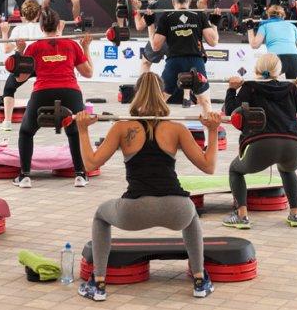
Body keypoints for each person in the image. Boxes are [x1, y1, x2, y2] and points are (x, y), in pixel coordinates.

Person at [75, 72, 220, 301]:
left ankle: (98, 283)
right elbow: (209, 166)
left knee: (101, 216)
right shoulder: (177, 129)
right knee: (191, 215)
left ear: (136, 94)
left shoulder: (122, 128)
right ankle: (200, 280)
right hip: (177, 210)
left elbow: (91, 163)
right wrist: (212, 130)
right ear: (163, 95)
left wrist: (82, 129)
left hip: (133, 212)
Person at [222, 53, 297, 228]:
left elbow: (230, 112)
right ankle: (296, 214)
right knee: (287, 170)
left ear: (257, 69)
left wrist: (231, 89)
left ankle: (242, 216)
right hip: (295, 146)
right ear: (279, 70)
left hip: (261, 145)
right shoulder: (290, 89)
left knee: (235, 170)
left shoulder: (250, 87)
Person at [14, 8, 93, 188]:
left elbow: (20, 78)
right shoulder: (72, 45)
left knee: (26, 132)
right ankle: (80, 175)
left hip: (42, 92)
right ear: (59, 26)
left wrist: (21, 52)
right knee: (75, 131)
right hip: (70, 92)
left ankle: (25, 176)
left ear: (41, 27)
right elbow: (88, 73)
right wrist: (86, 48)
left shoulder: (33, 47)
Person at [150, 0, 219, 119]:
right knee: (205, 102)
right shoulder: (199, 15)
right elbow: (213, 42)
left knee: (159, 102)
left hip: (174, 62)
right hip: (195, 62)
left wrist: (150, 25)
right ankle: (210, 137)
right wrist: (214, 23)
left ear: (173, 2)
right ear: (190, 2)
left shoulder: (166, 17)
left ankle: (151, 135)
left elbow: (155, 46)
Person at [132, 0, 194, 108]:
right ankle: (186, 98)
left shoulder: (156, 4)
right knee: (184, 65)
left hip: (160, 39)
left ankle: (141, 94)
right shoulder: (184, 5)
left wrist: (136, 10)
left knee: (145, 63)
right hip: (179, 38)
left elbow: (139, 26)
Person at [0, 0, 43, 131]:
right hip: (41, 65)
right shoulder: (43, 27)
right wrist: (60, 29)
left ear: (22, 15)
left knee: (8, 90)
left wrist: (4, 31)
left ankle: (7, 122)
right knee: (50, 87)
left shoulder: (18, 29)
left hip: (25, 65)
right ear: (38, 14)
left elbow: (6, 49)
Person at [246, 4, 297, 79]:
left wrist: (250, 28)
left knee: (272, 86)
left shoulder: (264, 25)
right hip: (295, 59)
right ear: (283, 16)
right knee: (293, 88)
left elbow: (254, 45)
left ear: (268, 15)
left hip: (276, 58)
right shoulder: (292, 26)